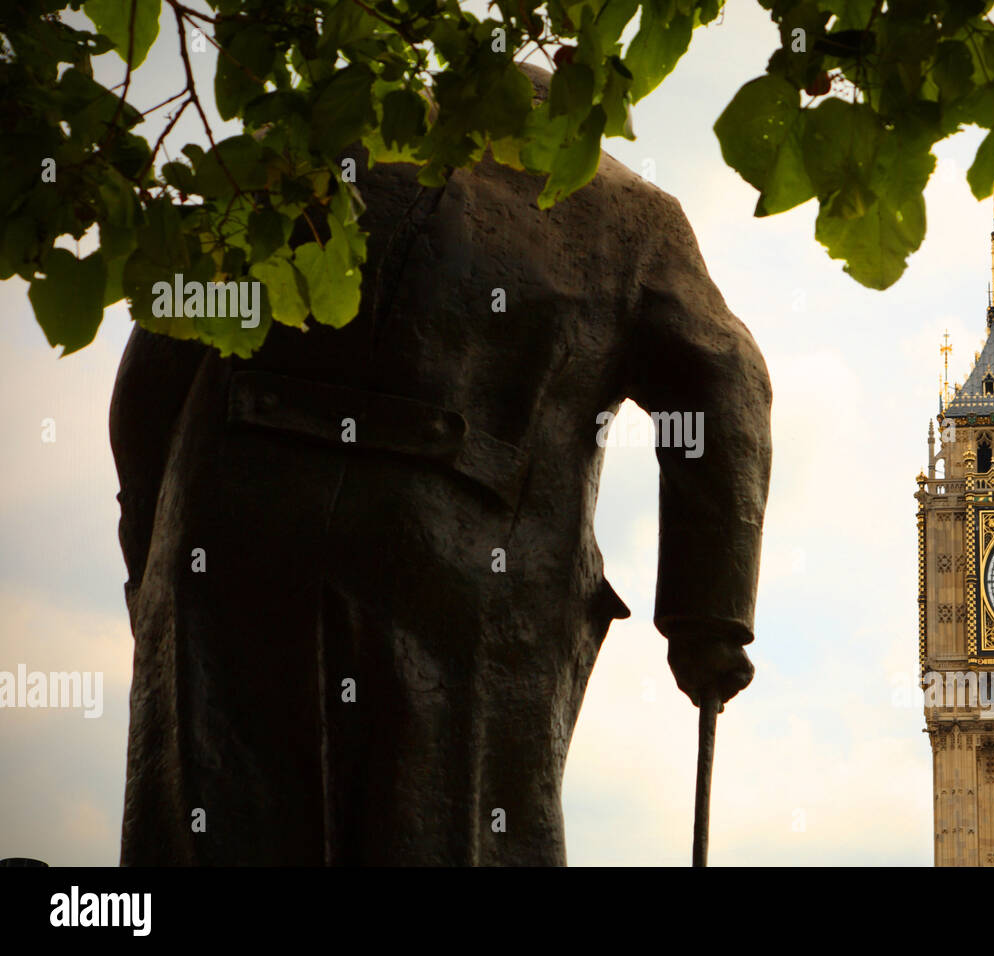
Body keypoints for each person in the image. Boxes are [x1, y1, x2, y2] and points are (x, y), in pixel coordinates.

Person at [110, 63, 772, 865]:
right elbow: (723, 379)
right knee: (446, 826)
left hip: (229, 538)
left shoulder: (300, 148)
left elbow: (156, 363)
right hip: (464, 562)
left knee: (217, 809)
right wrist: (706, 619)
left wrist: (151, 551)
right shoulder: (627, 212)